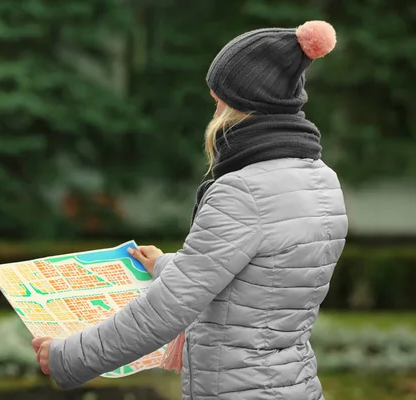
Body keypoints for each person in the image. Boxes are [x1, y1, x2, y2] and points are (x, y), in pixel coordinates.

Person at [32, 20, 348, 400]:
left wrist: (69, 355)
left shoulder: (243, 191)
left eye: (220, 95)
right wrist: (168, 265)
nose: (214, 104)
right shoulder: (320, 179)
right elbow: (263, 284)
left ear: (248, 101)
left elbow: (165, 310)